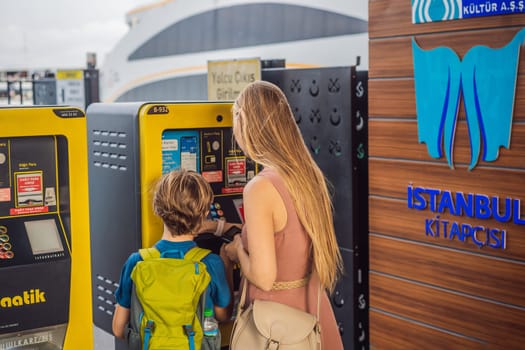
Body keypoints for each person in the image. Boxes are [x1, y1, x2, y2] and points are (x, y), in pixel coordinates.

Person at [223, 80, 344, 349]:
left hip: (275, 330)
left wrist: (236, 252)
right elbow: (288, 235)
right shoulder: (307, 175)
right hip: (312, 314)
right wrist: (220, 226)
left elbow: (265, 277)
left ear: (244, 121)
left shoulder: (259, 187)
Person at [112, 169, 233, 339]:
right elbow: (224, 315)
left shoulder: (137, 261)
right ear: (205, 214)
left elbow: (118, 329)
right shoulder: (211, 263)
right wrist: (226, 265)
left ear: (157, 209)